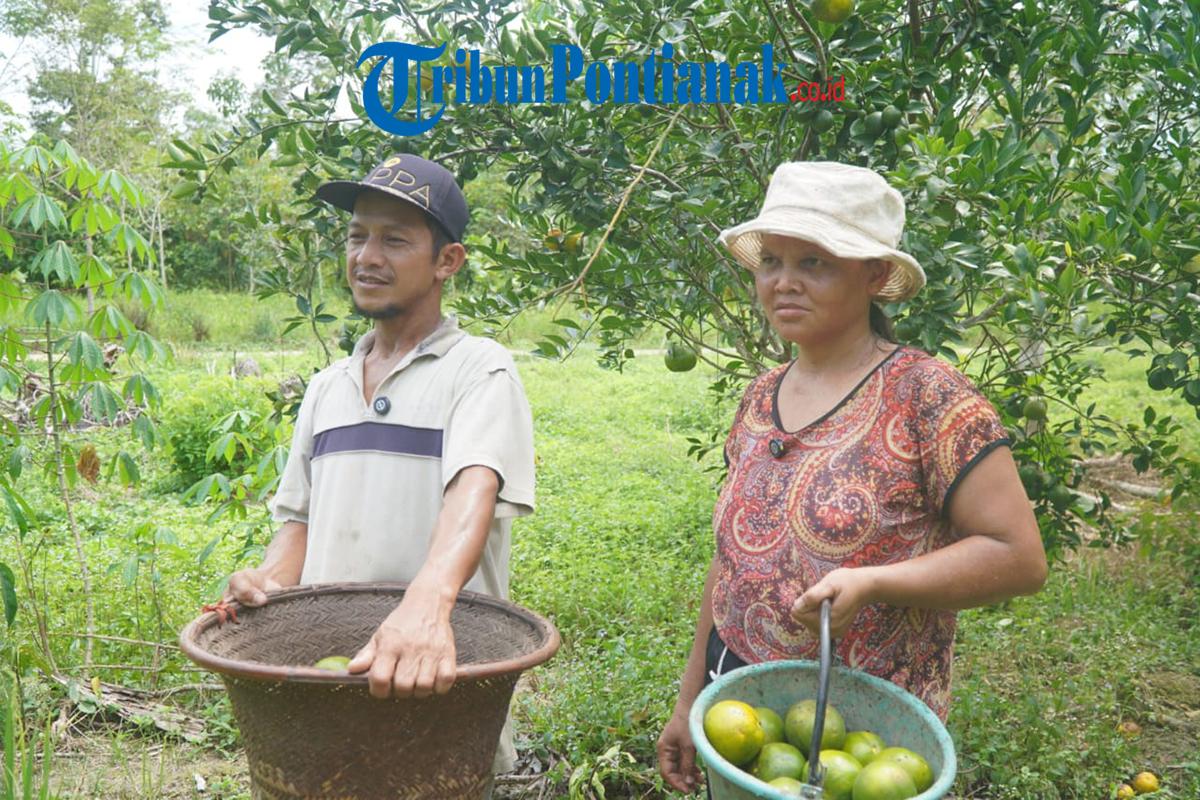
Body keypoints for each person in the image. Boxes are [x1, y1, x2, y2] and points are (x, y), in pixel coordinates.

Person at [656, 161, 1048, 794]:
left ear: (873, 276)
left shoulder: (929, 396)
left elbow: (1020, 558)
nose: (783, 282)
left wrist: (874, 581)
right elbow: (730, 559)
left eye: (814, 263)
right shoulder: (760, 398)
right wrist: (690, 700)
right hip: (741, 706)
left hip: (866, 726)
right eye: (771, 262)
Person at [222, 154, 536, 791]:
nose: (367, 255)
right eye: (357, 235)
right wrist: (267, 581)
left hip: (442, 676)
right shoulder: (326, 388)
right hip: (329, 683)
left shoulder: (479, 369)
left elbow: (472, 494)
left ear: (448, 262)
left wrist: (425, 610)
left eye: (395, 239)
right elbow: (300, 523)